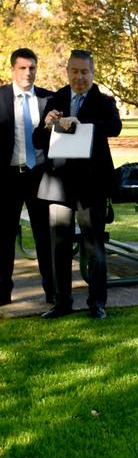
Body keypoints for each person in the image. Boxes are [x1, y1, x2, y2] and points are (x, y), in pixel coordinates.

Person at [36, 49, 121, 319]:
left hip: (92, 185)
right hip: (58, 183)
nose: (80, 77)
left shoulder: (103, 101)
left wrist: (81, 122)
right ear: (68, 71)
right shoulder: (56, 98)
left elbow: (115, 127)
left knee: (92, 244)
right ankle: (62, 302)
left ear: (93, 73)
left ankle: (97, 303)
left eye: (85, 72)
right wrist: (47, 125)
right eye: (75, 71)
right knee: (58, 245)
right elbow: (38, 139)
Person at [0, 48, 54, 305]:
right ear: (12, 70)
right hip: (8, 177)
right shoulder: (0, 98)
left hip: (39, 175)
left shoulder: (48, 100)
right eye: (22, 68)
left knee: (45, 235)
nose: (28, 73)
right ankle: (2, 293)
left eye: (31, 67)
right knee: (4, 237)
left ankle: (52, 291)